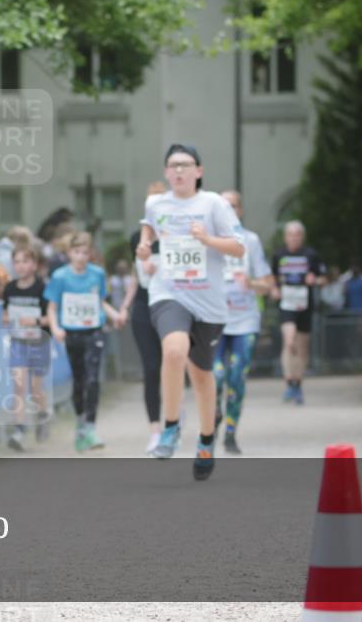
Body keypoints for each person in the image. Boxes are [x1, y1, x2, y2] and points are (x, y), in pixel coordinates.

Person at [138, 144, 244, 481]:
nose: (179, 171)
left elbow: (238, 247)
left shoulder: (214, 204)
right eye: (172, 166)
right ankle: (170, 428)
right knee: (173, 350)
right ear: (166, 172)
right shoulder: (156, 203)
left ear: (198, 170)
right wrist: (144, 244)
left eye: (185, 165)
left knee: (201, 375)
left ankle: (206, 439)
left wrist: (208, 239)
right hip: (169, 293)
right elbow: (149, 226)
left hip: (209, 303)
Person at [45, 231, 125, 452]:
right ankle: (80, 424)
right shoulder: (60, 277)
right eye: (76, 252)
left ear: (90, 254)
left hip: (93, 331)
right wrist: (55, 328)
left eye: (84, 252)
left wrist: (115, 315)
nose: (80, 257)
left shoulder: (97, 274)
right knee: (79, 381)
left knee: (92, 379)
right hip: (71, 333)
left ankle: (90, 428)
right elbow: (51, 308)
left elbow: (100, 302)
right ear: (69, 253)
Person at [212, 190, 274, 455]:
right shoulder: (208, 240)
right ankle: (212, 415)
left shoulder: (251, 241)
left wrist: (250, 283)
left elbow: (268, 285)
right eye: (224, 206)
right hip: (213, 321)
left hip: (245, 321)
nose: (230, 210)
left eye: (234, 205)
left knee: (236, 376)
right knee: (214, 376)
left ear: (240, 210)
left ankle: (230, 432)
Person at [120, 181, 166, 454]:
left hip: (172, 306)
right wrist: (125, 305)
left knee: (173, 365)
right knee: (150, 368)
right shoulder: (135, 239)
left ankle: (175, 415)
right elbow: (136, 278)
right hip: (143, 308)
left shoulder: (177, 237)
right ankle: (155, 430)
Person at [269, 220, 326, 404]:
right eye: (290, 234)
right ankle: (289, 381)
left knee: (302, 346)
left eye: (297, 234)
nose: (294, 238)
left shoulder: (311, 255)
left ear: (302, 237)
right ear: (286, 237)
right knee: (289, 340)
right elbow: (272, 278)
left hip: (304, 305)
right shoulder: (279, 255)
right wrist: (274, 289)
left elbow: (323, 279)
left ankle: (297, 383)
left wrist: (315, 281)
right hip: (286, 304)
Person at [2, 245, 52, 450]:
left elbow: (50, 317)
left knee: (35, 388)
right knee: (19, 385)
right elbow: (4, 313)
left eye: (25, 261)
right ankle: (19, 430)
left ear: (34, 265)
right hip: (18, 342)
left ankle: (42, 414)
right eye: (17, 262)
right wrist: (7, 318)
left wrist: (34, 320)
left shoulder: (42, 289)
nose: (20, 266)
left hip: (39, 342)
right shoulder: (9, 288)